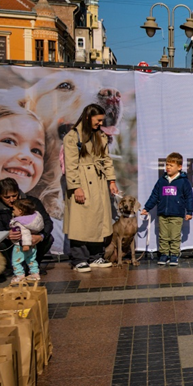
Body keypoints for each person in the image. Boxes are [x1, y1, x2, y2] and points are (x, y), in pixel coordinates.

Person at [63, 103, 118, 273]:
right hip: (82, 181)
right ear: (88, 117)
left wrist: (111, 180)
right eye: (98, 120)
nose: (101, 123)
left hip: (99, 182)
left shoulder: (100, 136)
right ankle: (78, 259)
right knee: (79, 222)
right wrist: (76, 187)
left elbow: (106, 159)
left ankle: (96, 256)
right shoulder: (72, 137)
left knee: (98, 220)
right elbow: (70, 165)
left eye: (102, 120)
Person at [141, 152, 193, 267]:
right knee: (163, 235)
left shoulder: (184, 181)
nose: (168, 167)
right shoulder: (162, 181)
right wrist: (147, 207)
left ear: (179, 167)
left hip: (177, 214)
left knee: (174, 236)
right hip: (163, 214)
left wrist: (189, 211)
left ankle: (174, 254)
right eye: (167, 165)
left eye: (171, 165)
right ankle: (164, 254)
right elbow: (154, 195)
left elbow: (189, 197)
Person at [0, 178, 53, 270]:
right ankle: (10, 268)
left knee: (48, 238)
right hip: (9, 242)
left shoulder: (32, 202)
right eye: (7, 197)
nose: (12, 200)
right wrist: (7, 235)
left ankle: (32, 266)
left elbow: (47, 222)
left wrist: (40, 236)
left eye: (14, 195)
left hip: (31, 239)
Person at [8, 198, 43, 283]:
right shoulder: (34, 219)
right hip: (33, 244)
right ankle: (35, 274)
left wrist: (26, 244)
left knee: (16, 262)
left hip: (21, 245)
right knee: (31, 260)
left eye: (14, 209)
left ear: (20, 211)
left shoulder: (19, 222)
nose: (13, 211)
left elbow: (25, 232)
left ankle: (19, 275)